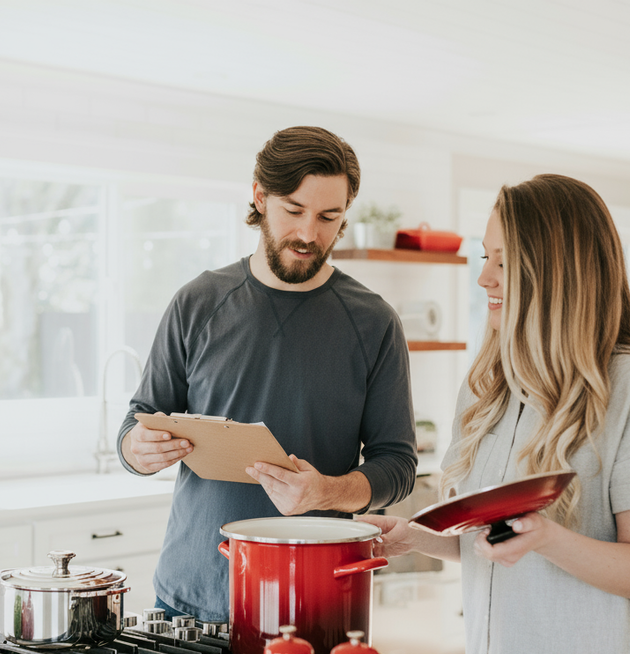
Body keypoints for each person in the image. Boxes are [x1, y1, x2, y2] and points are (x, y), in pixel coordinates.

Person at [360, 174, 630, 654]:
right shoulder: (488, 387)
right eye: (485, 256)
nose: (484, 277)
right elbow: (498, 542)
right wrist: (416, 537)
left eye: (504, 260)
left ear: (557, 270)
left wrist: (546, 536)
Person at [117, 125, 417, 624]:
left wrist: (327, 491)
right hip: (188, 599)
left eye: (329, 217)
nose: (309, 234)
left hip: (315, 600)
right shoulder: (197, 303)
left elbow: (398, 466)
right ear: (260, 196)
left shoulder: (374, 322)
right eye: (294, 211)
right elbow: (139, 421)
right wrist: (137, 449)